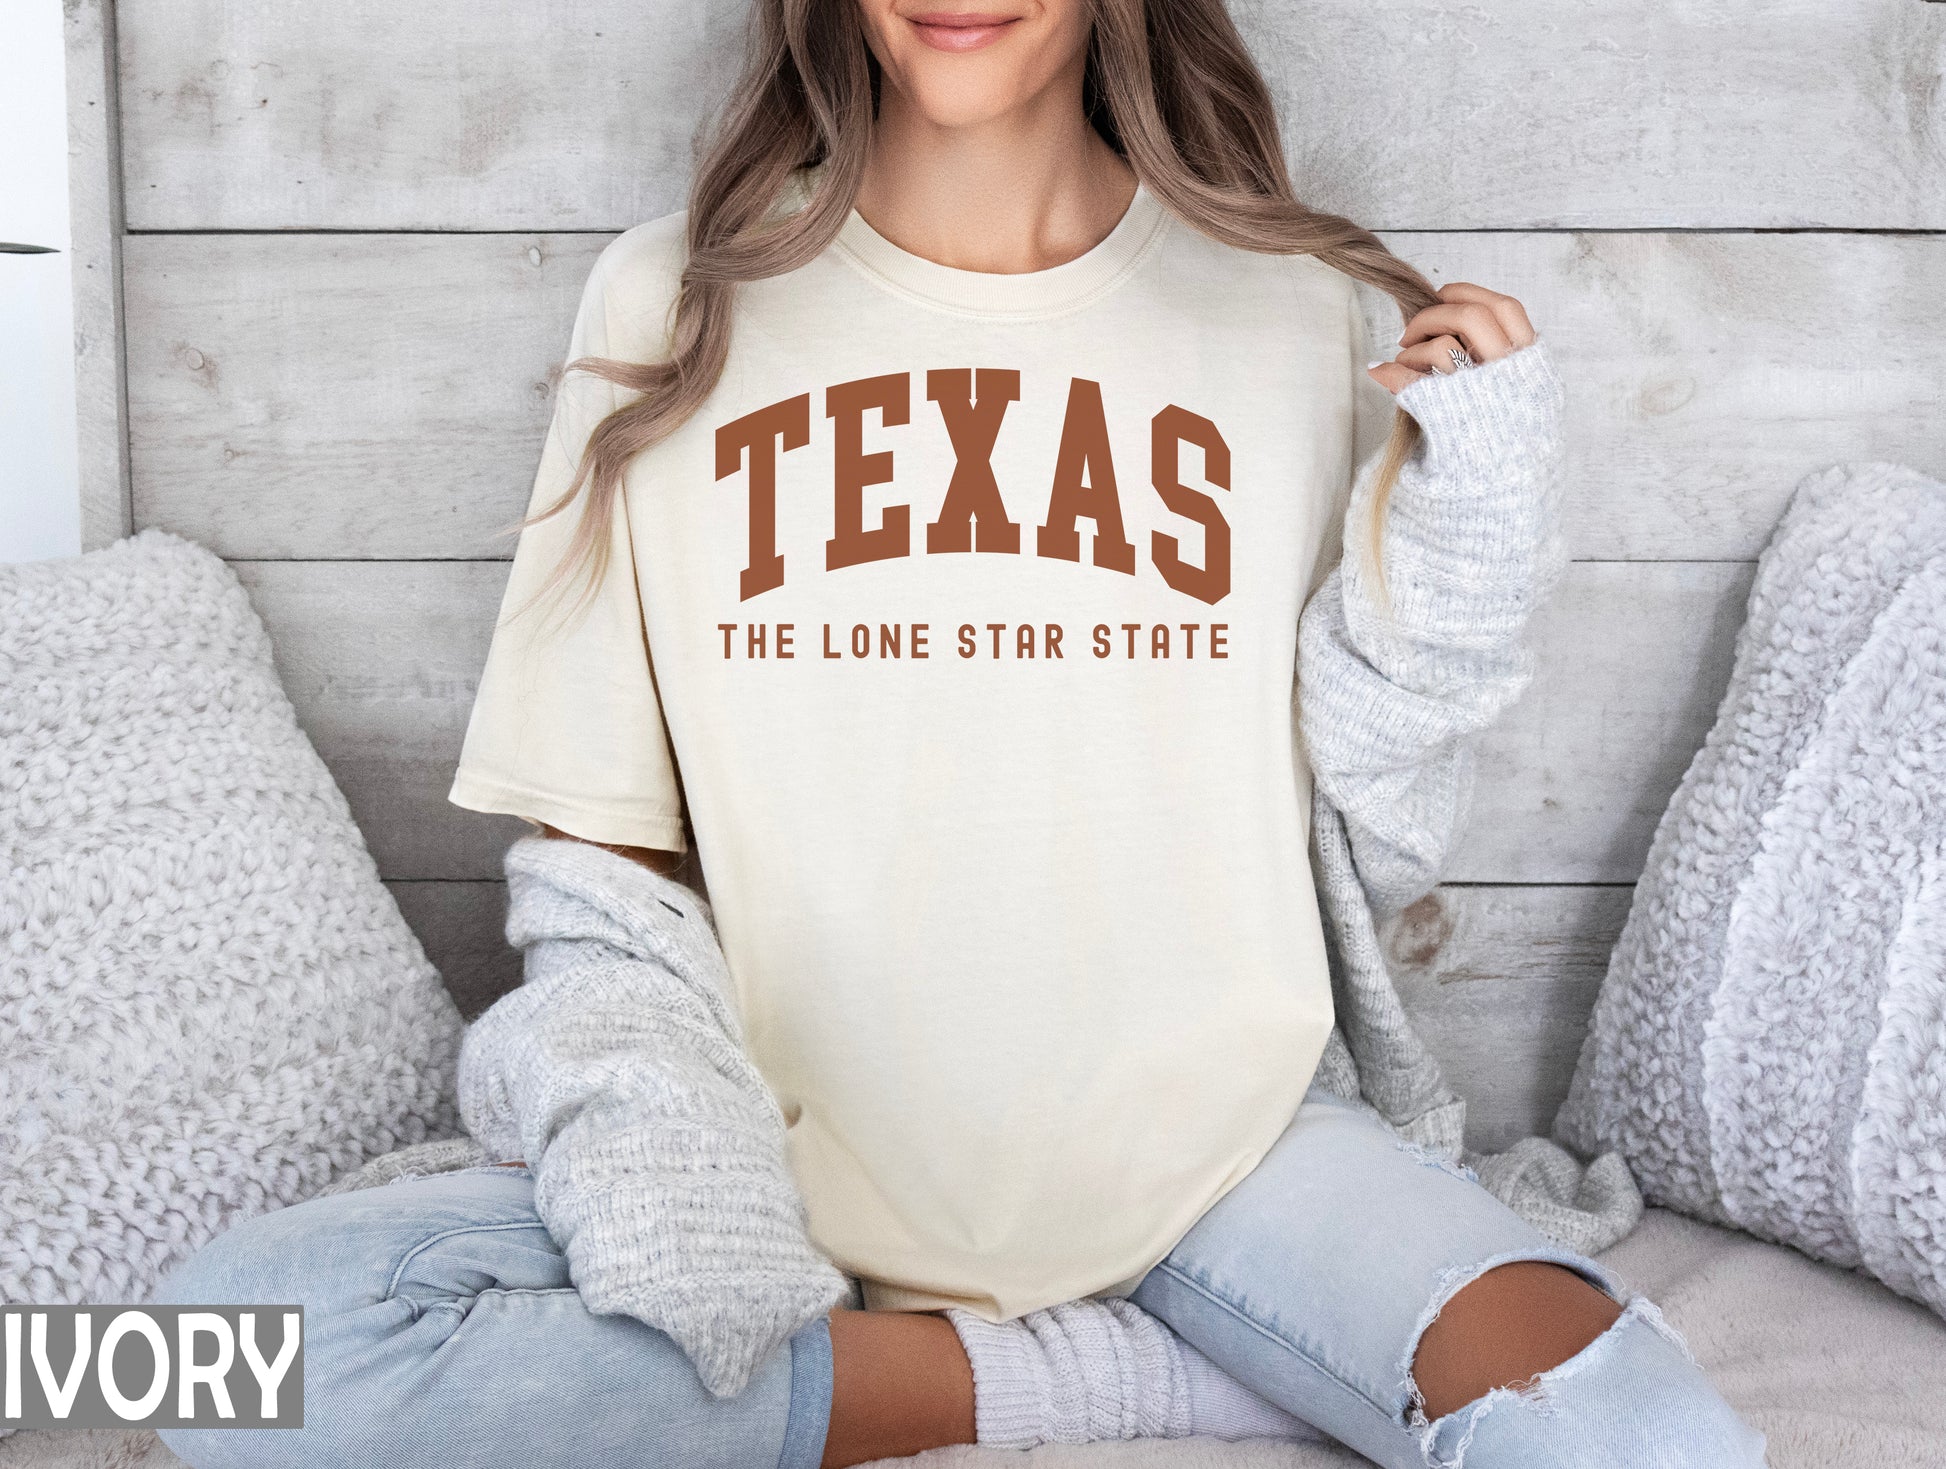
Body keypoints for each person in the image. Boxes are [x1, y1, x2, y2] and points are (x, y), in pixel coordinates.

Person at [156, 3, 1770, 1466]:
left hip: (1224, 1162)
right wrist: (662, 1166)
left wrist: (1475, 546)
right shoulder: (673, 300)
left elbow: (1376, 793)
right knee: (176, 1365)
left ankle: (1098, 1343)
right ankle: (1108, 1372)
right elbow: (598, 847)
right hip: (776, 1165)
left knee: (1644, 1439)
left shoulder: (1304, 309)